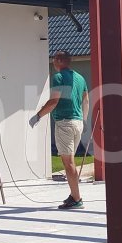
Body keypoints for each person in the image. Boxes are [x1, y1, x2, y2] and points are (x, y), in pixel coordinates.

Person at [29, 50, 89, 209]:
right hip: (77, 122)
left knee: (68, 163)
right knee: (71, 162)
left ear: (60, 61)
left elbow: (54, 101)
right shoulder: (80, 78)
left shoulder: (59, 77)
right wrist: (84, 120)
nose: (53, 62)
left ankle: (77, 199)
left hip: (65, 123)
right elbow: (86, 101)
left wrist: (38, 116)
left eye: (55, 59)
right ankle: (73, 195)